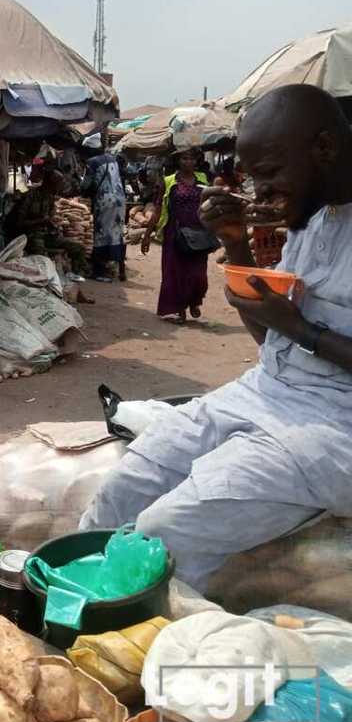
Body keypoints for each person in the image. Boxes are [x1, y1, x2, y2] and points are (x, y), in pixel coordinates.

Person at [80, 84, 352, 592]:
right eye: (253, 176)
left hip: (337, 427)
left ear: (324, 148)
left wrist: (299, 327)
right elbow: (269, 342)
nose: (259, 189)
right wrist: (235, 243)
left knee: (163, 532)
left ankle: (134, 639)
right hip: (267, 390)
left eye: (269, 173)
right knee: (123, 487)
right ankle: (82, 599)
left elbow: (293, 330)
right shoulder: (312, 216)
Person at [140, 149, 211, 323]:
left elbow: (210, 205)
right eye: (184, 159)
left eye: (191, 159)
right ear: (178, 161)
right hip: (175, 232)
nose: (188, 162)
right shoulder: (169, 181)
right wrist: (147, 235)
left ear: (196, 161)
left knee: (198, 274)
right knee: (176, 273)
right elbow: (158, 209)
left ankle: (194, 301)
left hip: (197, 232)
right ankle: (180, 310)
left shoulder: (203, 180)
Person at [4, 166, 90, 277]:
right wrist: (41, 221)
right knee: (42, 256)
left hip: (44, 234)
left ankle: (76, 275)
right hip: (26, 235)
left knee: (78, 248)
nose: (60, 186)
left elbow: (49, 218)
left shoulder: (50, 198)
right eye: (58, 183)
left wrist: (53, 224)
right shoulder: (30, 196)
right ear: (49, 183)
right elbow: (19, 223)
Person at [82, 138, 127, 282]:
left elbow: (86, 185)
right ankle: (121, 270)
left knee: (101, 233)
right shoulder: (112, 159)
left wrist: (79, 189)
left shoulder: (92, 162)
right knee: (117, 233)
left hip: (104, 201)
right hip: (120, 199)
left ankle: (99, 271)